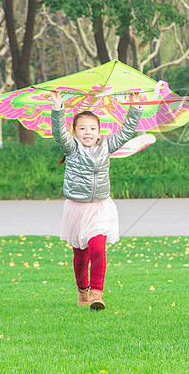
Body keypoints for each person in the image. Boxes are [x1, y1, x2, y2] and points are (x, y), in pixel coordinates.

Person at [49, 89, 144, 310]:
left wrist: (135, 107)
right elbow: (58, 132)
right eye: (82, 129)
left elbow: (127, 131)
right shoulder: (71, 148)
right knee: (80, 255)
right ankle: (82, 291)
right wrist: (57, 108)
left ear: (100, 131)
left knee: (97, 248)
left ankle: (96, 293)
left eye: (92, 128)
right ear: (74, 131)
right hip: (76, 208)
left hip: (100, 207)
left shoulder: (106, 146)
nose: (88, 132)